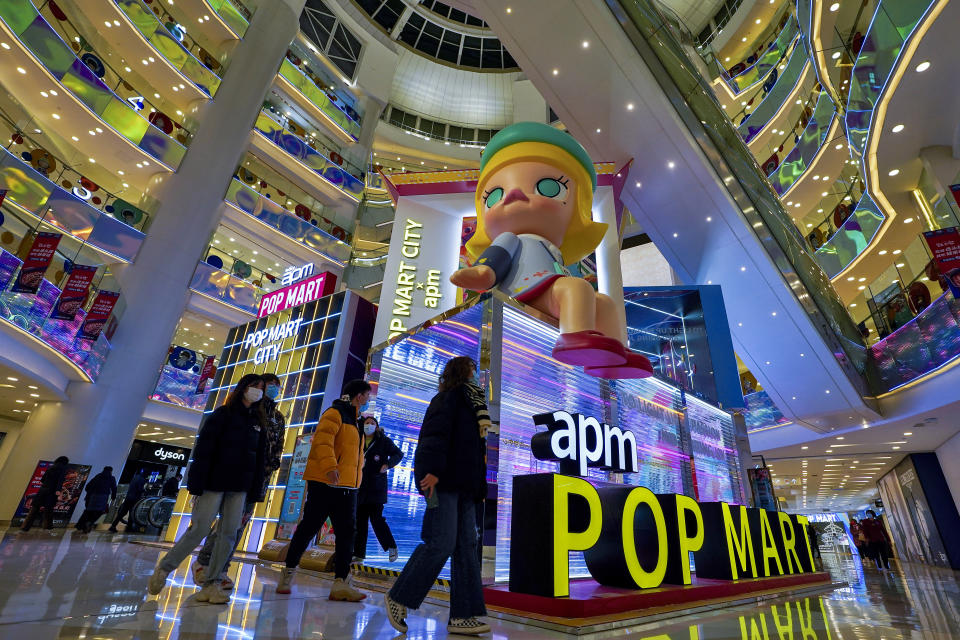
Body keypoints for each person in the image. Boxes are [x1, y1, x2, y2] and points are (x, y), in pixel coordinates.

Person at [450, 122, 652, 379]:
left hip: (546, 290)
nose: (513, 194)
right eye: (494, 195)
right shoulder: (511, 237)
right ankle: (573, 338)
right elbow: (495, 259)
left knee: (604, 303)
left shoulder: (552, 249)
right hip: (521, 290)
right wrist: (482, 274)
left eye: (548, 187)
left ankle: (617, 354)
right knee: (577, 288)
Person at [385, 356, 490, 636]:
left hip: (465, 488)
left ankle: (464, 615)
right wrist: (430, 472)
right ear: (461, 372)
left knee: (467, 545)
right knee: (440, 542)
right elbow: (433, 438)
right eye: (472, 368)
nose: (476, 373)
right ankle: (399, 596)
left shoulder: (475, 406)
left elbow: (475, 455)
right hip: (440, 483)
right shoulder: (447, 399)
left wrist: (480, 489)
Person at [147, 374, 266, 604]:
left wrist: (255, 490)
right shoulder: (223, 415)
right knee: (200, 529)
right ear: (243, 388)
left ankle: (211, 583)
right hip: (215, 481)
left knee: (229, 534)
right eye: (254, 386)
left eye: (261, 387)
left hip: (240, 487)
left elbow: (259, 460)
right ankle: (164, 568)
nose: (258, 391)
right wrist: (196, 483)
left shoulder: (258, 422)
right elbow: (204, 451)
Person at [277, 379, 371, 600]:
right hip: (326, 483)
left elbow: (352, 455)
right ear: (359, 396)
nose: (368, 400)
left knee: (347, 534)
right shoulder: (335, 413)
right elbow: (322, 441)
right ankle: (289, 571)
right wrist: (330, 467)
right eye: (367, 396)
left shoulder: (357, 421)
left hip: (348, 487)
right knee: (309, 528)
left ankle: (340, 582)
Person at [192, 373, 286, 590]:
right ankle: (204, 562)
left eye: (275, 386)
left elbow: (277, 445)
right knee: (225, 524)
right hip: (236, 475)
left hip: (258, 479)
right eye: (269, 385)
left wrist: (271, 465)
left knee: (239, 524)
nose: (272, 389)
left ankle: (222, 567)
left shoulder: (278, 418)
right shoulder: (250, 411)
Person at [353, 416, 403, 563]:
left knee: (376, 520)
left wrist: (387, 464)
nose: (369, 425)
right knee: (360, 522)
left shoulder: (383, 441)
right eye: (367, 423)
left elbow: (398, 454)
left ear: (376, 426)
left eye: (372, 423)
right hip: (360, 486)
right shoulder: (358, 439)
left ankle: (391, 546)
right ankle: (359, 555)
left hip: (376, 487)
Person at [21, 456, 70, 531]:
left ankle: (25, 527)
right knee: (48, 510)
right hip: (51, 491)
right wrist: (58, 490)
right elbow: (60, 480)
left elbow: (42, 480)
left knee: (34, 509)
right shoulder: (63, 468)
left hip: (42, 490)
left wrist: (47, 484)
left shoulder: (51, 467)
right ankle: (47, 527)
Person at [75, 466, 117, 533]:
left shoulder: (98, 476)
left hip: (92, 496)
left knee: (88, 511)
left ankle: (80, 525)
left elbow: (88, 486)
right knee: (99, 511)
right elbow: (114, 488)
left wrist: (90, 494)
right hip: (103, 497)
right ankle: (90, 522)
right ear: (111, 471)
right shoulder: (111, 478)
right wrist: (113, 497)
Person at [109, 468, 147, 533]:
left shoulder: (135, 478)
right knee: (132, 513)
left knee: (122, 513)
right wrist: (144, 490)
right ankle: (129, 528)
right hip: (134, 498)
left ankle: (113, 526)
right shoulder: (142, 480)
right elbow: (139, 489)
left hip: (128, 498)